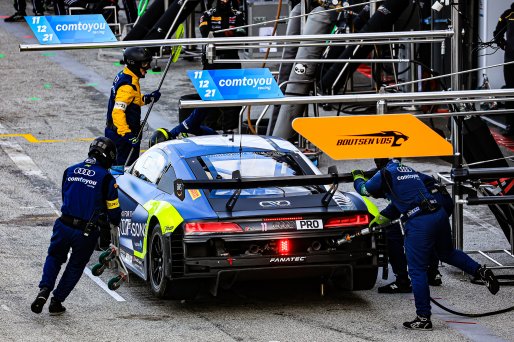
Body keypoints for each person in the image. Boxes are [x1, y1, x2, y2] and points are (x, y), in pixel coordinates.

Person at [352, 158, 500, 331]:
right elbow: (401, 201)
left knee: (416, 270)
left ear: (378, 163)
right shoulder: (407, 169)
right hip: (438, 213)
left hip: (419, 222)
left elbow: (364, 190)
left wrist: (357, 176)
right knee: (447, 253)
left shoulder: (384, 173)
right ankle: (480, 271)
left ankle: (423, 318)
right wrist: (380, 219)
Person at [31, 137, 122, 315]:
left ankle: (44, 289)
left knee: (54, 257)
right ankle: (56, 301)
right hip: (85, 232)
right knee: (75, 266)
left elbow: (66, 197)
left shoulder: (70, 170)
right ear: (108, 157)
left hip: (63, 224)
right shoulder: (107, 179)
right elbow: (114, 213)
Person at [370, 159, 454, 294]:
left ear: (379, 163)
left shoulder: (387, 176)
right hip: (443, 199)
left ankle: (402, 281)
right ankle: (432, 273)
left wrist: (378, 221)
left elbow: (394, 208)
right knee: (431, 232)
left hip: (426, 202)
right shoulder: (404, 170)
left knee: (392, 231)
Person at [105, 47, 161, 166]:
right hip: (121, 137)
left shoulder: (127, 76)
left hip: (120, 133)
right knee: (122, 170)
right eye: (145, 64)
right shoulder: (127, 86)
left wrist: (147, 98)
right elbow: (117, 112)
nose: (148, 68)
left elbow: (132, 100)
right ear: (134, 64)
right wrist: (128, 135)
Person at [493, 2, 514, 136]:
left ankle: (511, 124)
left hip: (511, 59)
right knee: (510, 91)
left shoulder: (508, 14)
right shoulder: (508, 14)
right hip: (511, 60)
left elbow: (497, 34)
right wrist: (504, 45)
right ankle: (511, 124)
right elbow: (497, 34)